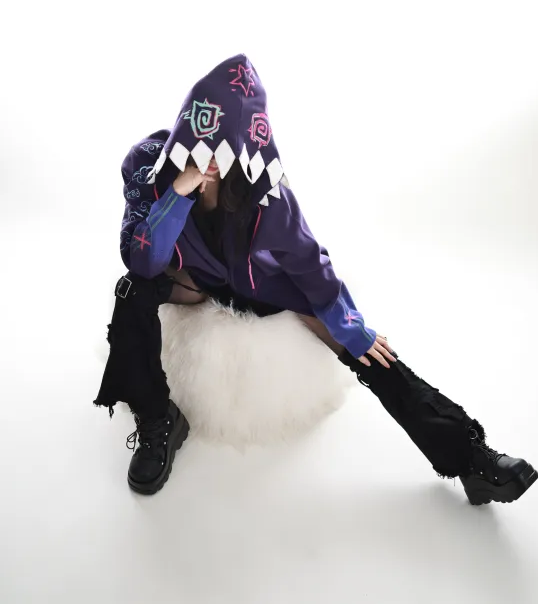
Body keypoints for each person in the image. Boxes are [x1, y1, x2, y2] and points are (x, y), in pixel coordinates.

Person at [95, 54, 536, 503]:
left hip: (257, 289)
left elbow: (310, 264)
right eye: (201, 141)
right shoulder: (148, 166)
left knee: (369, 351)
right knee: (131, 290)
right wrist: (179, 194)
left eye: (223, 148)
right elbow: (141, 260)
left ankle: (471, 458)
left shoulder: (265, 194)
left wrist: (352, 329)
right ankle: (159, 420)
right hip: (190, 278)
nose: (209, 158)